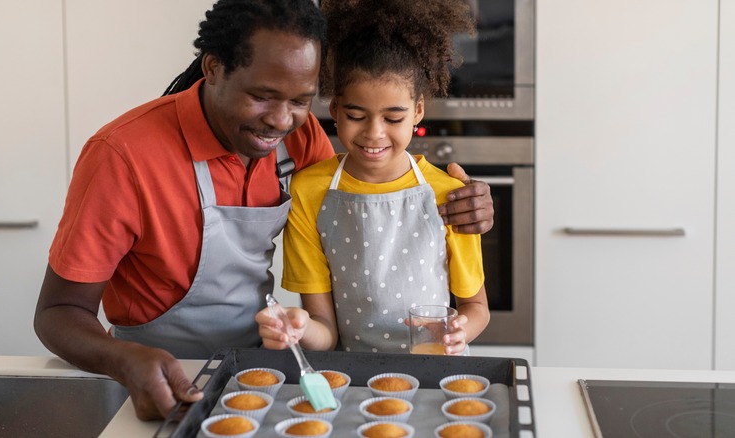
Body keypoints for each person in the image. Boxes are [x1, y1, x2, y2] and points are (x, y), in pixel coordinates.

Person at [33, 0, 494, 421]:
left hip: (263, 369)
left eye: (299, 100)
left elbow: (356, 197)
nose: (280, 119)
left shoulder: (299, 137)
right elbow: (58, 311)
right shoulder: (124, 155)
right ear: (213, 69)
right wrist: (127, 360)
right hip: (156, 379)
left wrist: (465, 202)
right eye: (262, 95)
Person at [256, 0, 490, 356]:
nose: (374, 133)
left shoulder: (449, 193)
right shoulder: (308, 190)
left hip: (438, 369)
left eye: (393, 118)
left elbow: (477, 308)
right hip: (354, 376)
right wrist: (297, 329)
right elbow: (326, 333)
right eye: (356, 115)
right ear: (334, 109)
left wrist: (457, 331)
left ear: (418, 111)